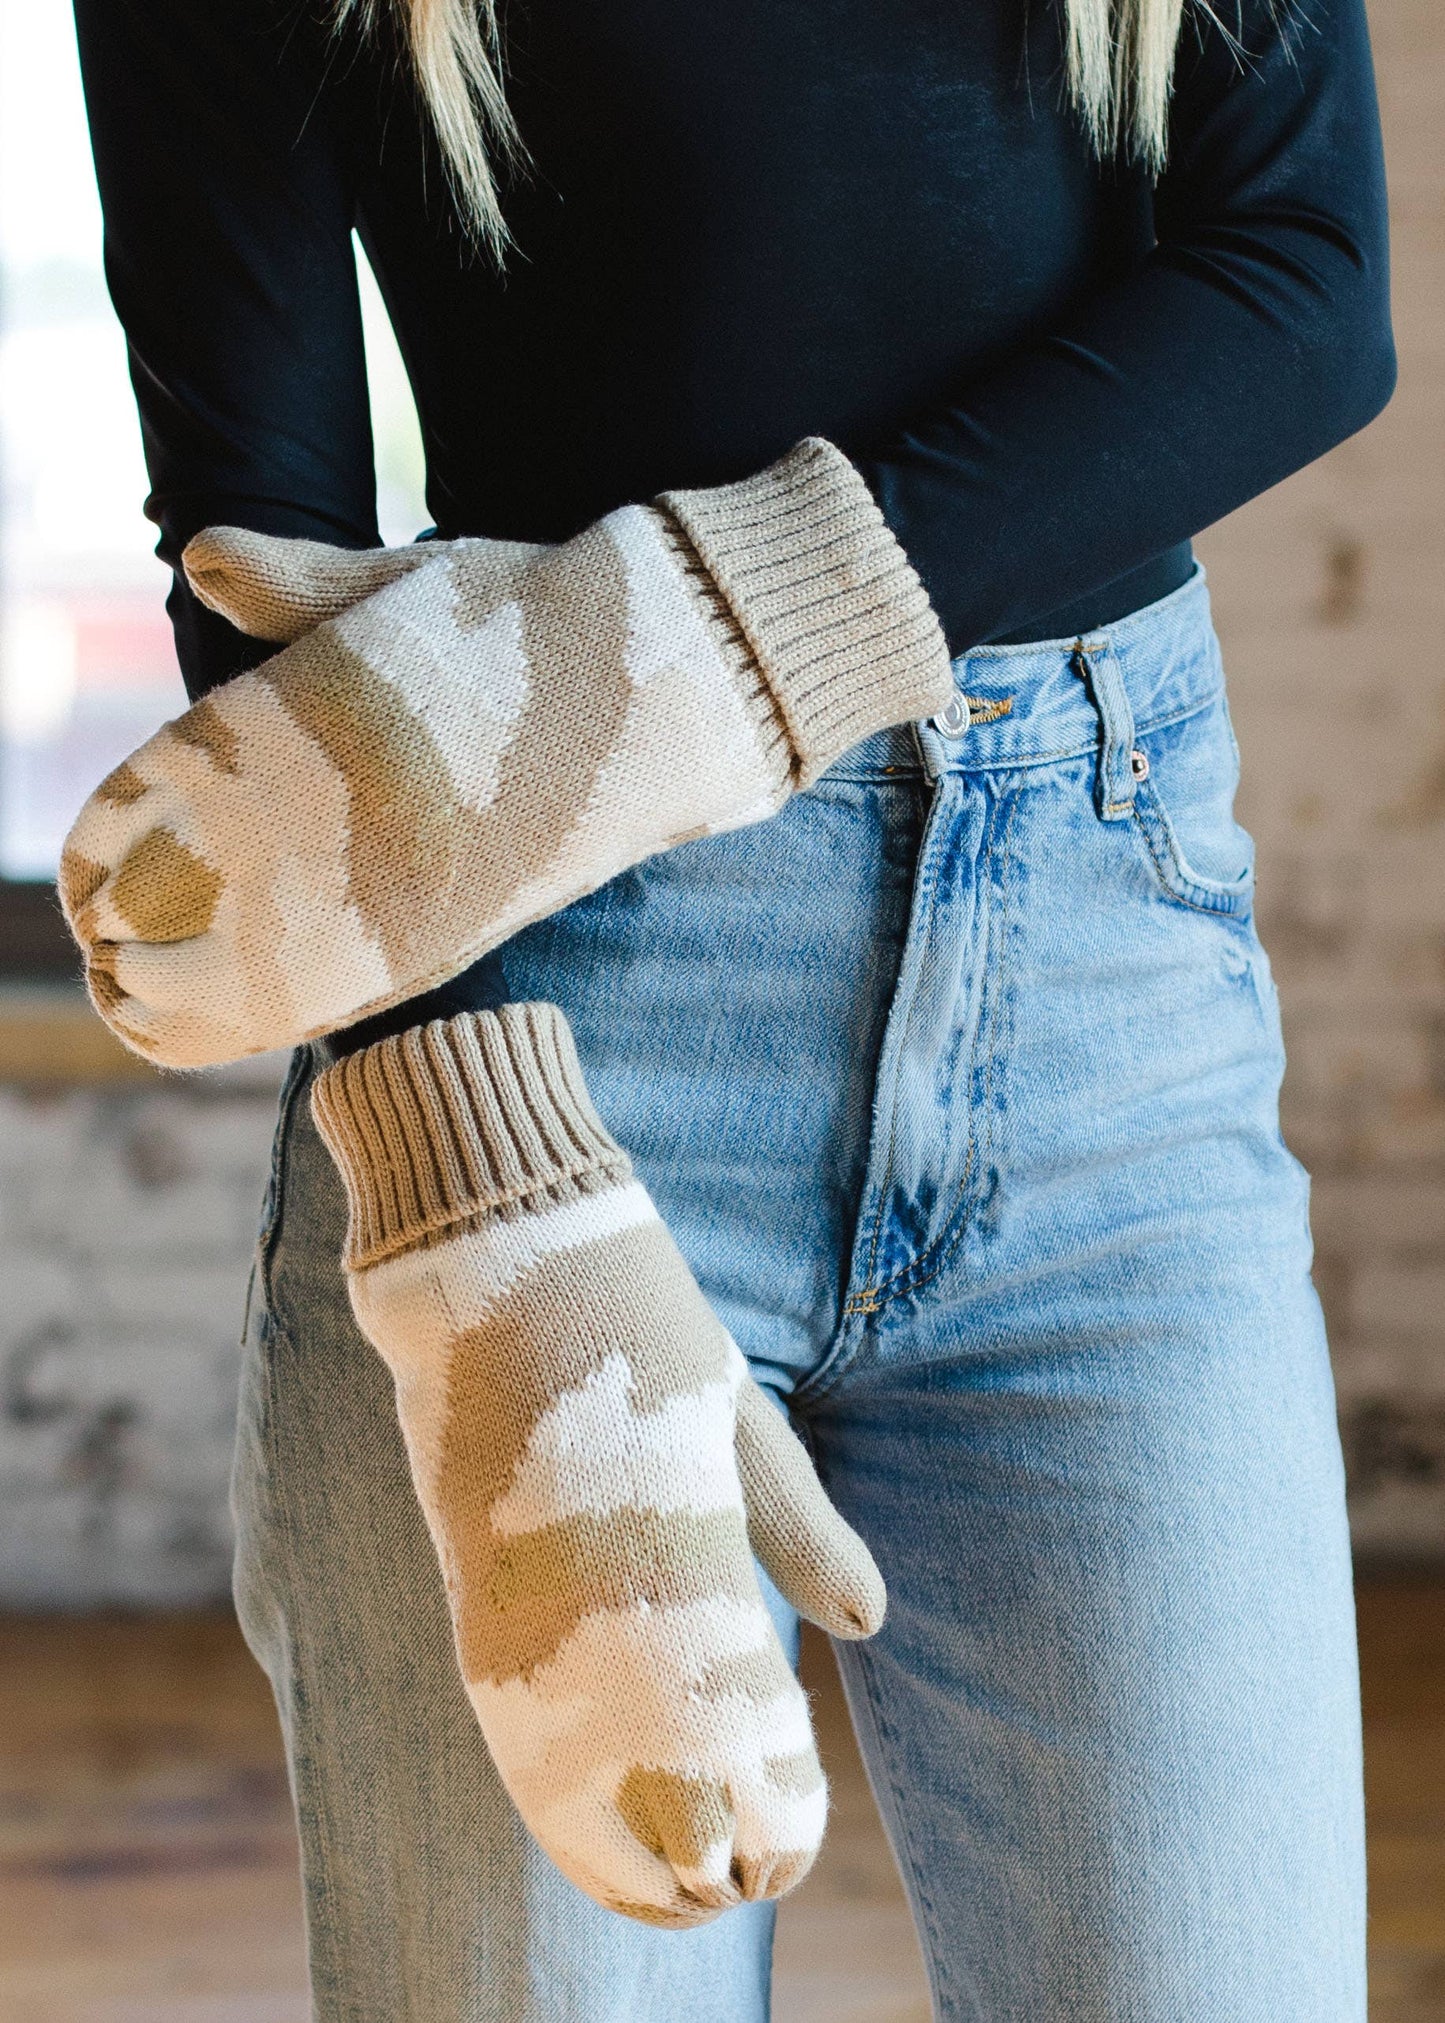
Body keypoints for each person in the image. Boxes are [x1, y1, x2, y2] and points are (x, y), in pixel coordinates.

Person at [66, 0, 1394, 2011]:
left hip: (1116, 1025)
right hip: (549, 1000)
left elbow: (1304, 282)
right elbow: (265, 547)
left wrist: (709, 639)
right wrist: (484, 1198)